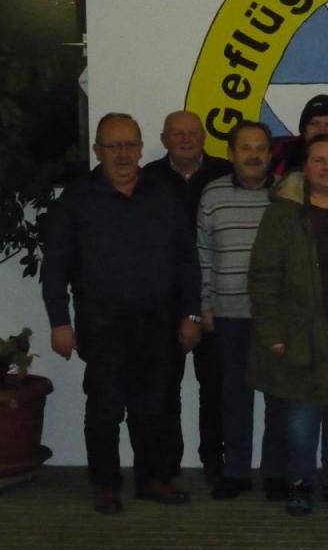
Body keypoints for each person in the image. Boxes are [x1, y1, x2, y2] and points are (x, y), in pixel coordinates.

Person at [41, 112, 199, 514]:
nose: (123, 154)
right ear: (98, 150)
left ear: (141, 148)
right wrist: (59, 322)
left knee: (153, 409)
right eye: (114, 146)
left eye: (130, 145)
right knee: (105, 410)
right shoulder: (77, 199)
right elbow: (55, 266)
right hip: (102, 324)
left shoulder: (163, 194)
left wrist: (191, 314)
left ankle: (151, 479)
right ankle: (106, 484)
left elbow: (187, 260)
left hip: (159, 322)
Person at [248, 134, 328, 515]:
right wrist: (273, 332)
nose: (327, 166)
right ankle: (299, 482)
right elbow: (263, 275)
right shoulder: (285, 212)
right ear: (306, 166)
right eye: (319, 159)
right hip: (301, 333)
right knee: (302, 415)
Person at [196, 120, 287, 501]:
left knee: (278, 398)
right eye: (245, 148)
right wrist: (205, 303)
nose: (253, 155)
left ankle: (276, 472)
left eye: (261, 148)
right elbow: (202, 254)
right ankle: (235, 472)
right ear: (231, 153)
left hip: (275, 317)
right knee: (233, 397)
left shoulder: (286, 195)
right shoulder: (212, 194)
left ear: (270, 153)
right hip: (229, 314)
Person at [143, 110, 232, 483]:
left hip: (215, 296)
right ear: (163, 139)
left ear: (204, 137)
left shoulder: (226, 174)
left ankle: (215, 461)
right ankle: (167, 463)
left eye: (192, 132)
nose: (184, 139)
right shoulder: (146, 179)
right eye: (176, 133)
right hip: (164, 300)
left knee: (216, 388)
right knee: (164, 387)